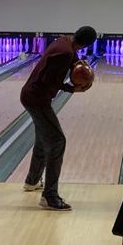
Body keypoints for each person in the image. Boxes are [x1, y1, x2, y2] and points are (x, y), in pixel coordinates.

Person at [20, 26, 98, 212]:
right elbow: (48, 81)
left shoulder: (64, 42)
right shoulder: (65, 53)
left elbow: (72, 59)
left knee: (43, 139)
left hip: (32, 96)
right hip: (37, 100)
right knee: (57, 142)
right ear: (88, 44)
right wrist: (72, 89)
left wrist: (80, 65)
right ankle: (50, 196)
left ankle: (31, 181)